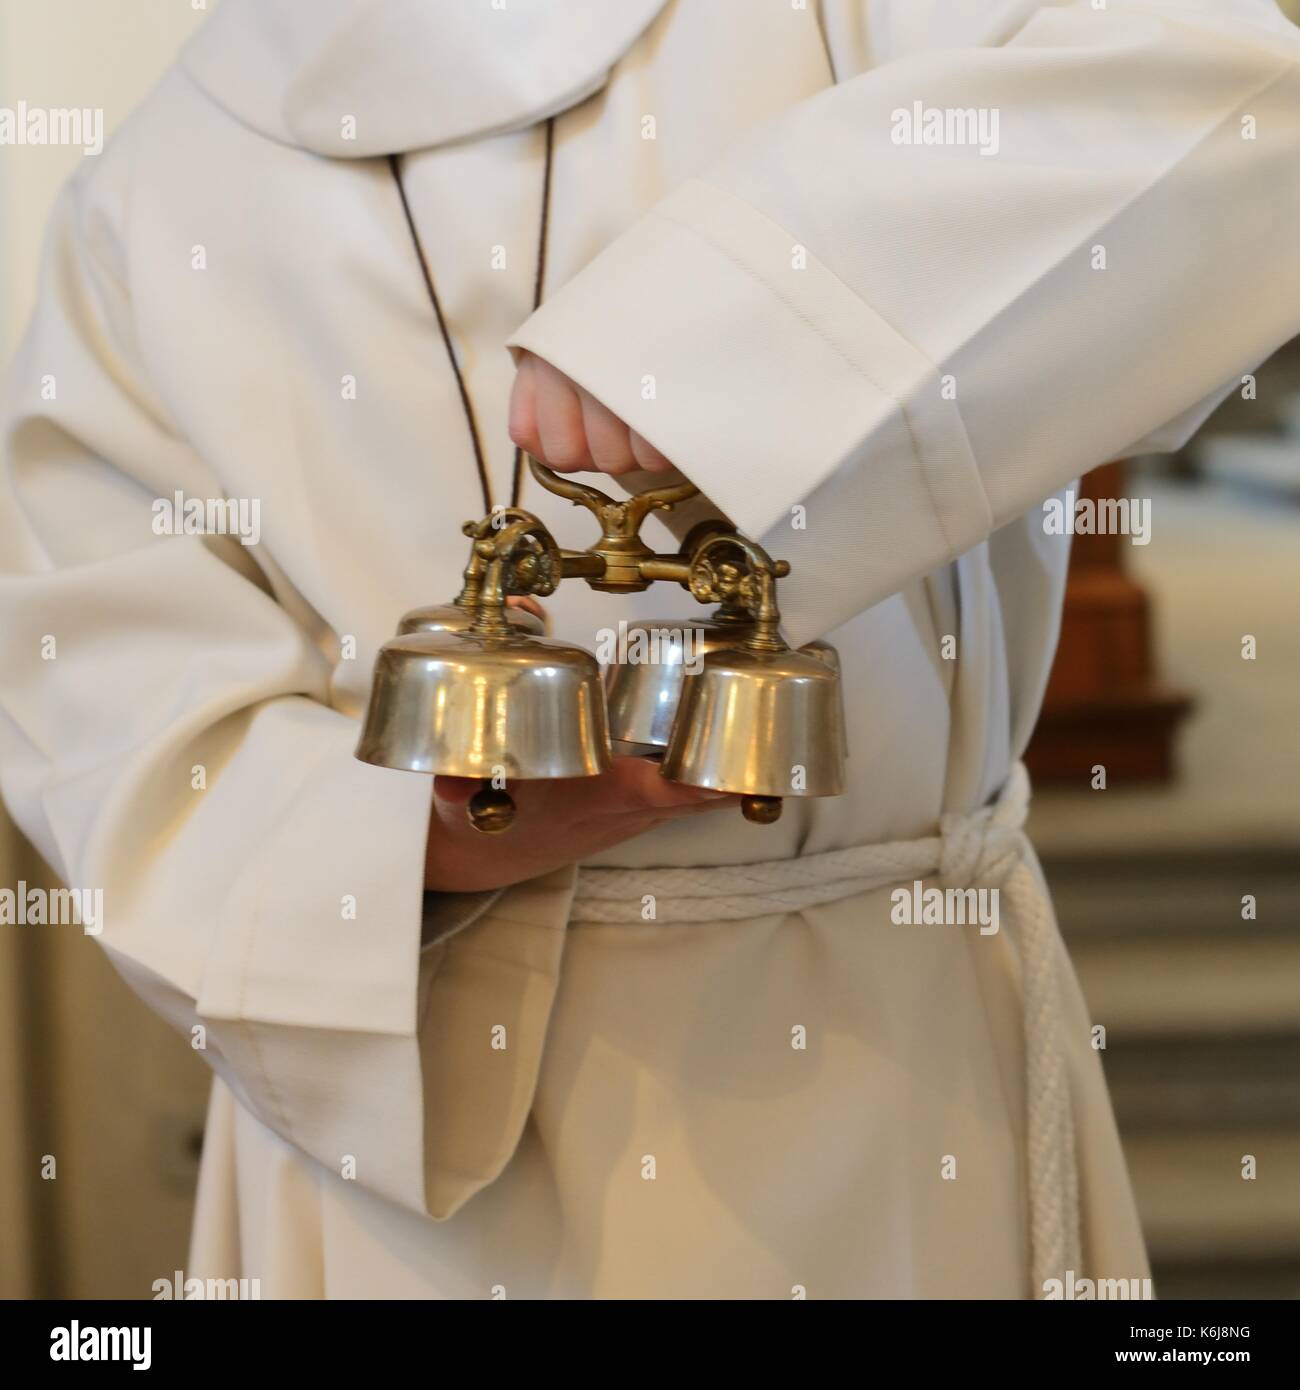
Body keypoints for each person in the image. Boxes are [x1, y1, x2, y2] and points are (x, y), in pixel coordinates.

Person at [1, 0, 1297, 1299]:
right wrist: (436, 842)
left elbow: (1241, 121)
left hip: (874, 1054)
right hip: (406, 1149)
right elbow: (102, 706)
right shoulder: (151, 193)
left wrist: (724, 334)